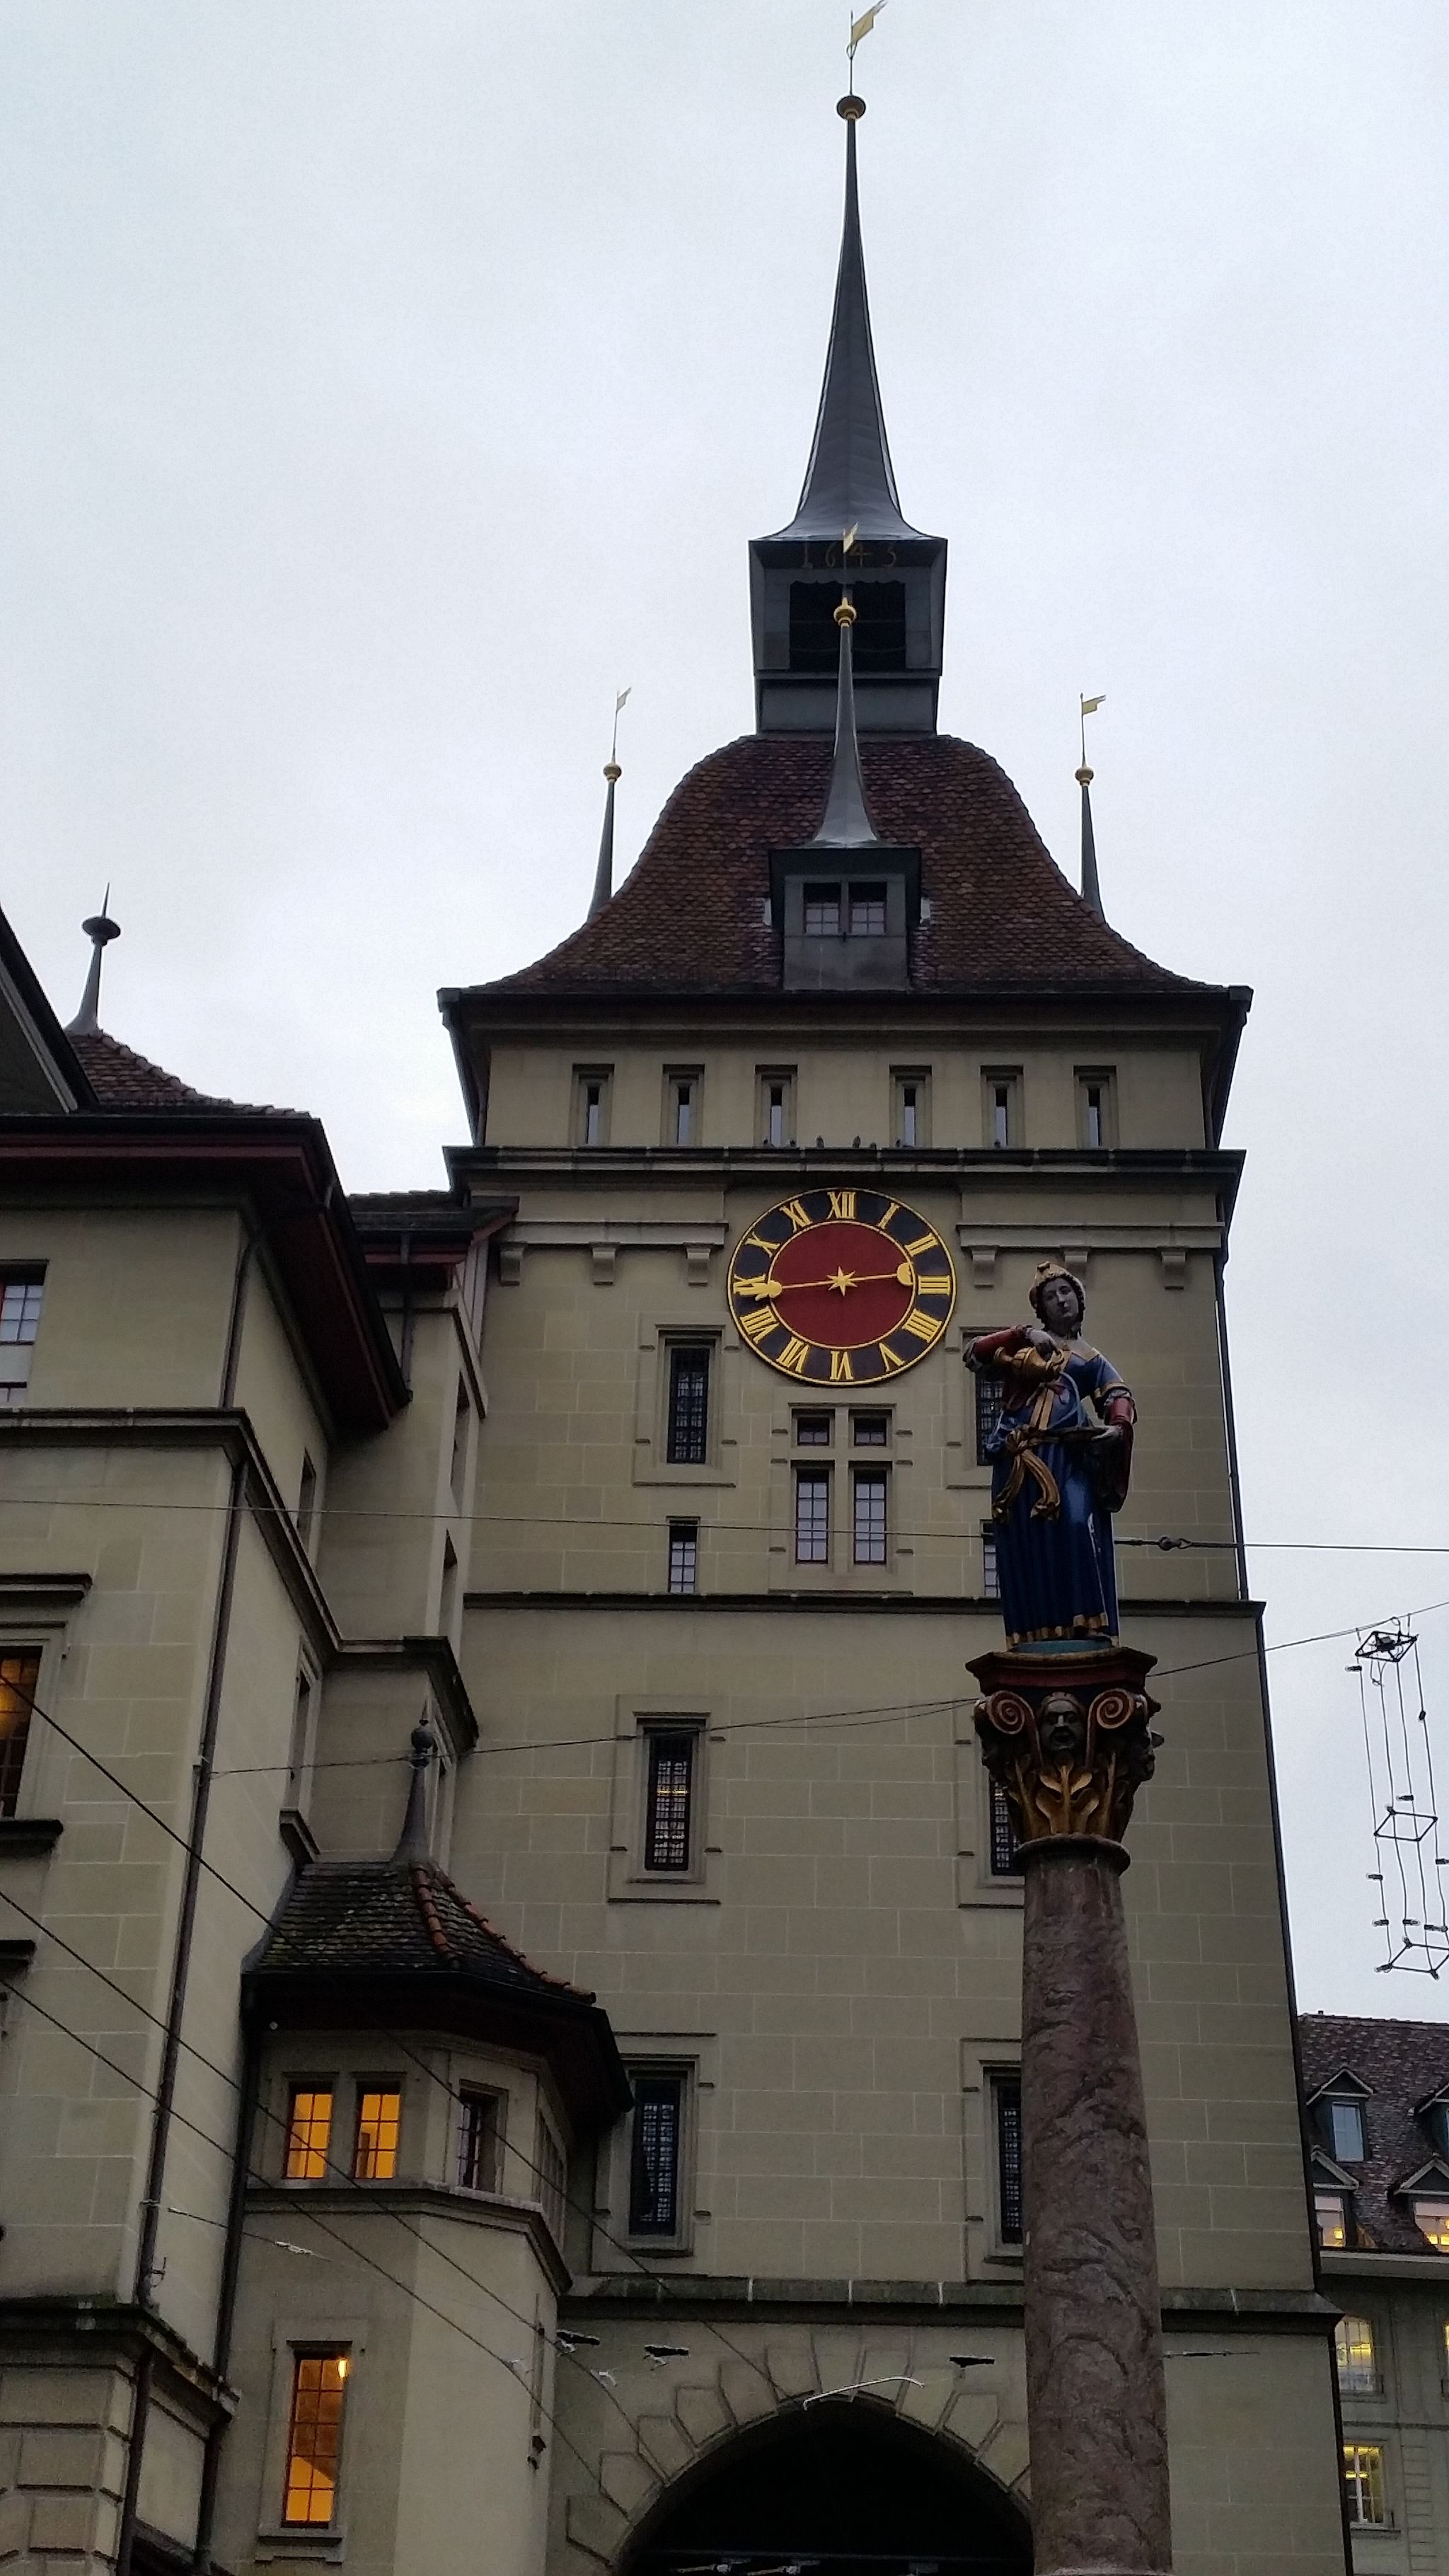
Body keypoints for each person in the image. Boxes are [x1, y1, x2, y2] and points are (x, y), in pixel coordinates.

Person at [964, 1262, 1135, 1649]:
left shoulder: (1091, 1360)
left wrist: (1118, 1427)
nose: (1060, 1300)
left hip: (1069, 1457)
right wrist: (1025, 1333)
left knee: (1077, 1525)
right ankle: (1033, 1629)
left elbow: (1117, 1396)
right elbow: (975, 1355)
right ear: (1041, 1308)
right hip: (1020, 1460)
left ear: (1079, 1299)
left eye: (1066, 1293)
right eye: (1051, 1296)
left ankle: (1087, 1621)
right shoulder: (1025, 1345)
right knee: (1025, 1542)